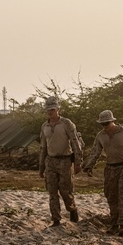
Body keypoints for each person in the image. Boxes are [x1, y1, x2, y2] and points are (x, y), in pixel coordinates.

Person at [83, 110, 123, 236]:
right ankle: (114, 224)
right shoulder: (101, 136)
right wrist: (89, 166)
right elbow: (96, 152)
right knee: (111, 196)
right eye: (103, 124)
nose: (105, 126)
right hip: (110, 168)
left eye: (107, 123)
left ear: (112, 121)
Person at [38, 97, 82, 227]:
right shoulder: (44, 126)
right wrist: (41, 167)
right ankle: (56, 219)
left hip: (65, 160)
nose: (50, 112)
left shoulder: (67, 124)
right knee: (52, 192)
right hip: (50, 161)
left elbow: (75, 143)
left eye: (52, 109)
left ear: (58, 109)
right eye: (48, 110)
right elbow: (43, 147)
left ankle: (72, 209)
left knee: (65, 191)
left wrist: (78, 162)